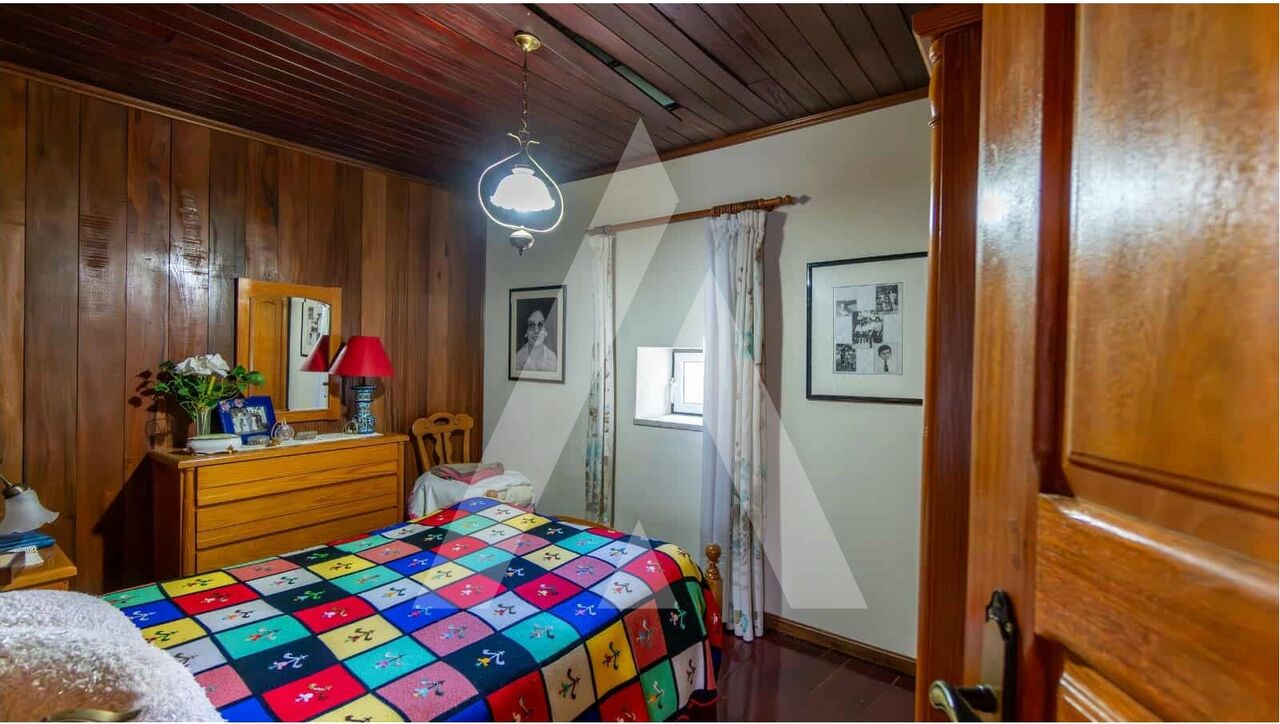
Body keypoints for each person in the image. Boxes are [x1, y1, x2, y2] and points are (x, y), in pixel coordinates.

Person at [516, 308, 557, 372]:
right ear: (526, 333)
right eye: (531, 325)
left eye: (540, 325)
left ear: (546, 332)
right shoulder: (518, 359)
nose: (536, 330)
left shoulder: (552, 358)